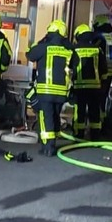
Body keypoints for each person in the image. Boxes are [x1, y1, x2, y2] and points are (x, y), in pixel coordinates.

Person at [27, 20, 78, 157]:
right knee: (55, 116)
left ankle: (48, 147)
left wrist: (40, 42)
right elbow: (76, 64)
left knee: (46, 117)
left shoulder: (44, 47)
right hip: (61, 92)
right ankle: (52, 143)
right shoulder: (68, 51)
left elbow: (30, 55)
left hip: (46, 90)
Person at [70, 23, 108, 139]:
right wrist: (103, 84)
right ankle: (95, 136)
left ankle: (79, 135)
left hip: (79, 87)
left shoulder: (74, 49)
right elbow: (103, 69)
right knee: (95, 111)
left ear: (78, 35)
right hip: (95, 87)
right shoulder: (97, 49)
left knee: (80, 112)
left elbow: (71, 66)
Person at [92, 14, 112, 135]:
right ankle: (103, 124)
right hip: (110, 73)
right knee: (103, 99)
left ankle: (97, 126)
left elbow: (93, 53)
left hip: (101, 74)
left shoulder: (99, 38)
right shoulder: (110, 38)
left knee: (96, 100)